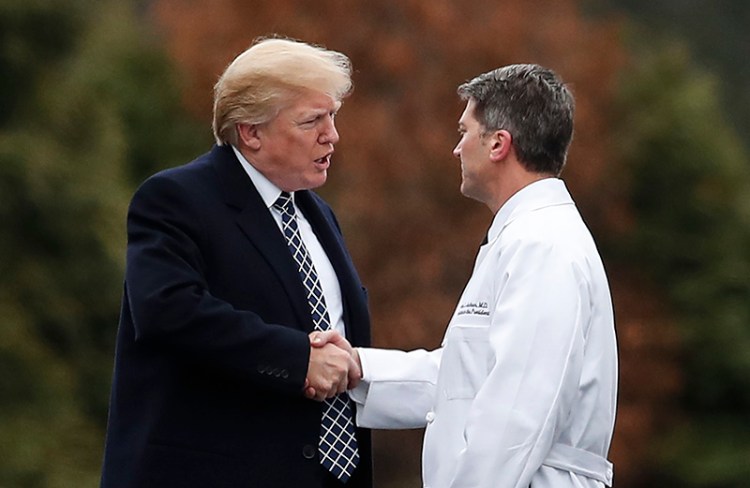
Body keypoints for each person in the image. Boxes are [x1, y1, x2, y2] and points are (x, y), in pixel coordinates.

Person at [313, 64, 618, 488]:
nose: (457, 148)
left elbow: (518, 414)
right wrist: (360, 367)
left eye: (464, 131)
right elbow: (467, 379)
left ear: (498, 144)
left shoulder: (542, 245)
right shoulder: (526, 238)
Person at [100, 37, 372, 488]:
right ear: (251, 132)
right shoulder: (176, 199)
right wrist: (296, 357)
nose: (332, 135)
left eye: (333, 117)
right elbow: (167, 311)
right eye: (312, 121)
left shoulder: (318, 213)